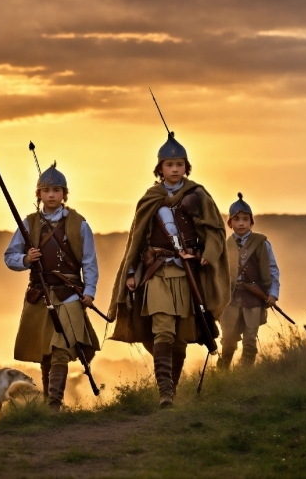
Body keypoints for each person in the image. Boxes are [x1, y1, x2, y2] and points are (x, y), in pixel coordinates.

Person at [108, 133, 230, 407]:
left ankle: (171, 392)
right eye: (169, 164)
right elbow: (136, 241)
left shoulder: (198, 195)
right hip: (158, 273)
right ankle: (165, 393)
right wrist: (130, 273)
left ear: (186, 166)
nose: (175, 169)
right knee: (162, 331)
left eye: (179, 164)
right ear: (160, 168)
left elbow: (215, 231)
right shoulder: (151, 197)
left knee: (180, 338)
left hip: (189, 276)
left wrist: (205, 255)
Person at [4, 162, 100, 412]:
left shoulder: (79, 224)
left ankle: (54, 405)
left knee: (60, 351)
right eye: (46, 190)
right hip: (39, 294)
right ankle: (49, 406)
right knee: (45, 354)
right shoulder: (29, 224)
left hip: (69, 295)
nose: (51, 195)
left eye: (56, 190)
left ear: (64, 194)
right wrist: (27, 259)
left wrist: (89, 291)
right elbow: (9, 257)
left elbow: (89, 261)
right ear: (39, 194)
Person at [217, 193, 280, 368]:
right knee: (228, 340)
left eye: (246, 219)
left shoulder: (261, 243)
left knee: (250, 339)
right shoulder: (224, 245)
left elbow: (273, 270)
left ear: (251, 221)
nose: (241, 223)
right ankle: (222, 375)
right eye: (236, 219)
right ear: (230, 223)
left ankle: (245, 376)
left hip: (254, 297)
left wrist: (273, 294)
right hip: (230, 299)